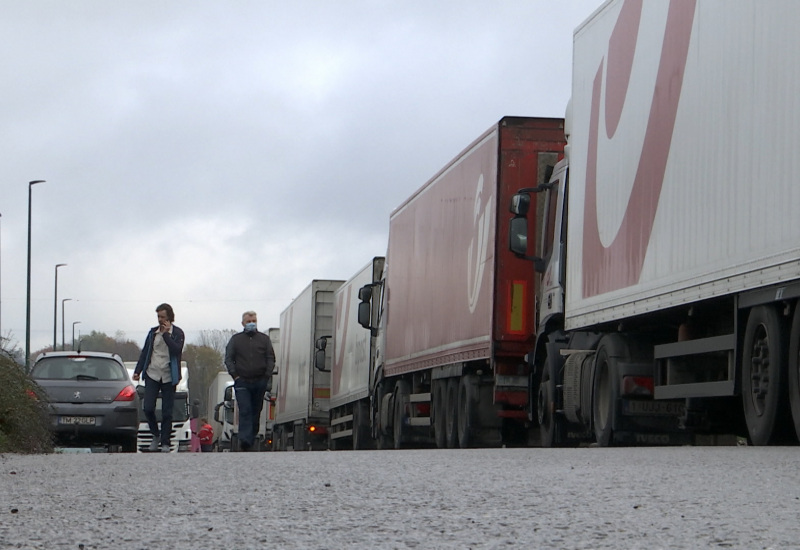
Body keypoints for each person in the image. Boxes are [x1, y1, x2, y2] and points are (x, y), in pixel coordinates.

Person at [133, 303, 185, 453]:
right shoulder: (152, 333)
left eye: (163, 317)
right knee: (148, 407)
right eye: (158, 317)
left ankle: (165, 442)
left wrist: (167, 335)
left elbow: (176, 350)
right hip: (152, 373)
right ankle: (155, 435)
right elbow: (145, 353)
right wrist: (138, 370)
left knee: (167, 412)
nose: (160, 320)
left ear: (169, 317)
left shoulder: (178, 333)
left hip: (169, 375)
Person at [224, 310, 275, 451]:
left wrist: (267, 375)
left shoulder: (264, 339)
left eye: (254, 321)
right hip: (242, 381)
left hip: (260, 381)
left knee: (255, 410)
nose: (251, 323)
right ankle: (245, 440)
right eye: (249, 321)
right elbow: (229, 358)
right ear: (243, 323)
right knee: (245, 410)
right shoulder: (236, 340)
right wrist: (235, 375)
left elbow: (270, 357)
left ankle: (251, 437)